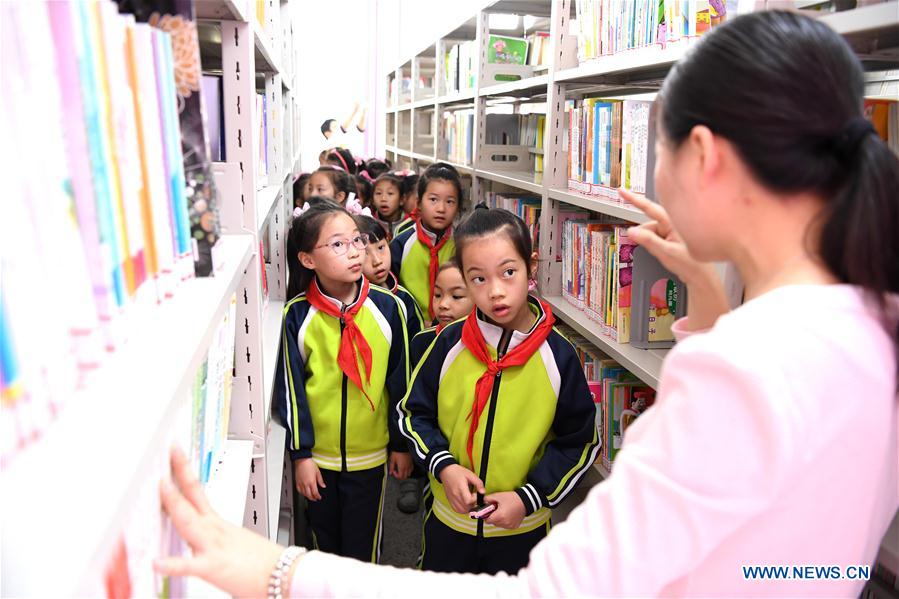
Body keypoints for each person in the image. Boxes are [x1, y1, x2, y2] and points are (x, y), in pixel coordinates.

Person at [155, 11, 898, 597]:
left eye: (655, 152)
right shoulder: (869, 324)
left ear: (701, 155)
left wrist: (278, 573)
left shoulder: (741, 371)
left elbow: (553, 588)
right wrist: (708, 292)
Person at [398, 208, 599, 574]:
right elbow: (414, 414)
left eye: (509, 273)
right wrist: (444, 467)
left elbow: (579, 441)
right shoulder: (447, 344)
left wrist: (529, 497)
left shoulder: (558, 356)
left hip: (523, 530)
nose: (495, 291)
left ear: (531, 266)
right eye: (478, 279)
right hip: (449, 524)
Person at [275, 200, 413, 562]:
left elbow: (401, 382)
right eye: (338, 245)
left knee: (363, 550)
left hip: (371, 456)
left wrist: (400, 443)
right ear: (307, 259)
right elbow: (292, 392)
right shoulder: (297, 315)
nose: (355, 252)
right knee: (324, 549)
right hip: (318, 461)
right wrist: (301, 455)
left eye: (356, 240)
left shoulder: (389, 308)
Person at [390, 163, 463, 320]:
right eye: (433, 200)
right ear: (419, 203)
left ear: (458, 208)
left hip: (452, 328)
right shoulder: (401, 244)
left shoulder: (462, 245)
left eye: (450, 202)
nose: (441, 208)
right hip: (409, 326)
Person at [355, 215, 425, 339]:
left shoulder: (404, 298)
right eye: (365, 254)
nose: (377, 261)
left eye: (381, 247)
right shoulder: (349, 303)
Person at [408, 261, 474, 366]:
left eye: (456, 296)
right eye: (437, 295)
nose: (443, 304)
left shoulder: (491, 345)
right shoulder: (420, 342)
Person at [371, 171, 406, 237]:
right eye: (378, 193)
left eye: (390, 193)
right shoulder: (370, 222)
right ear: (372, 200)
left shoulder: (409, 223)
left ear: (401, 199)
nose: (383, 198)